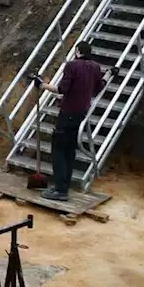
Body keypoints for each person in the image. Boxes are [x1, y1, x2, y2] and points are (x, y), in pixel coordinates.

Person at [40, 40, 106, 201]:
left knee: (59, 151)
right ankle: (64, 186)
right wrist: (110, 74)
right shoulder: (95, 67)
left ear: (77, 51)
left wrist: (43, 85)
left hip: (67, 112)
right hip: (81, 113)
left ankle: (60, 190)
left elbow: (62, 89)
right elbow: (99, 87)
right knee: (70, 151)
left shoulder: (71, 66)